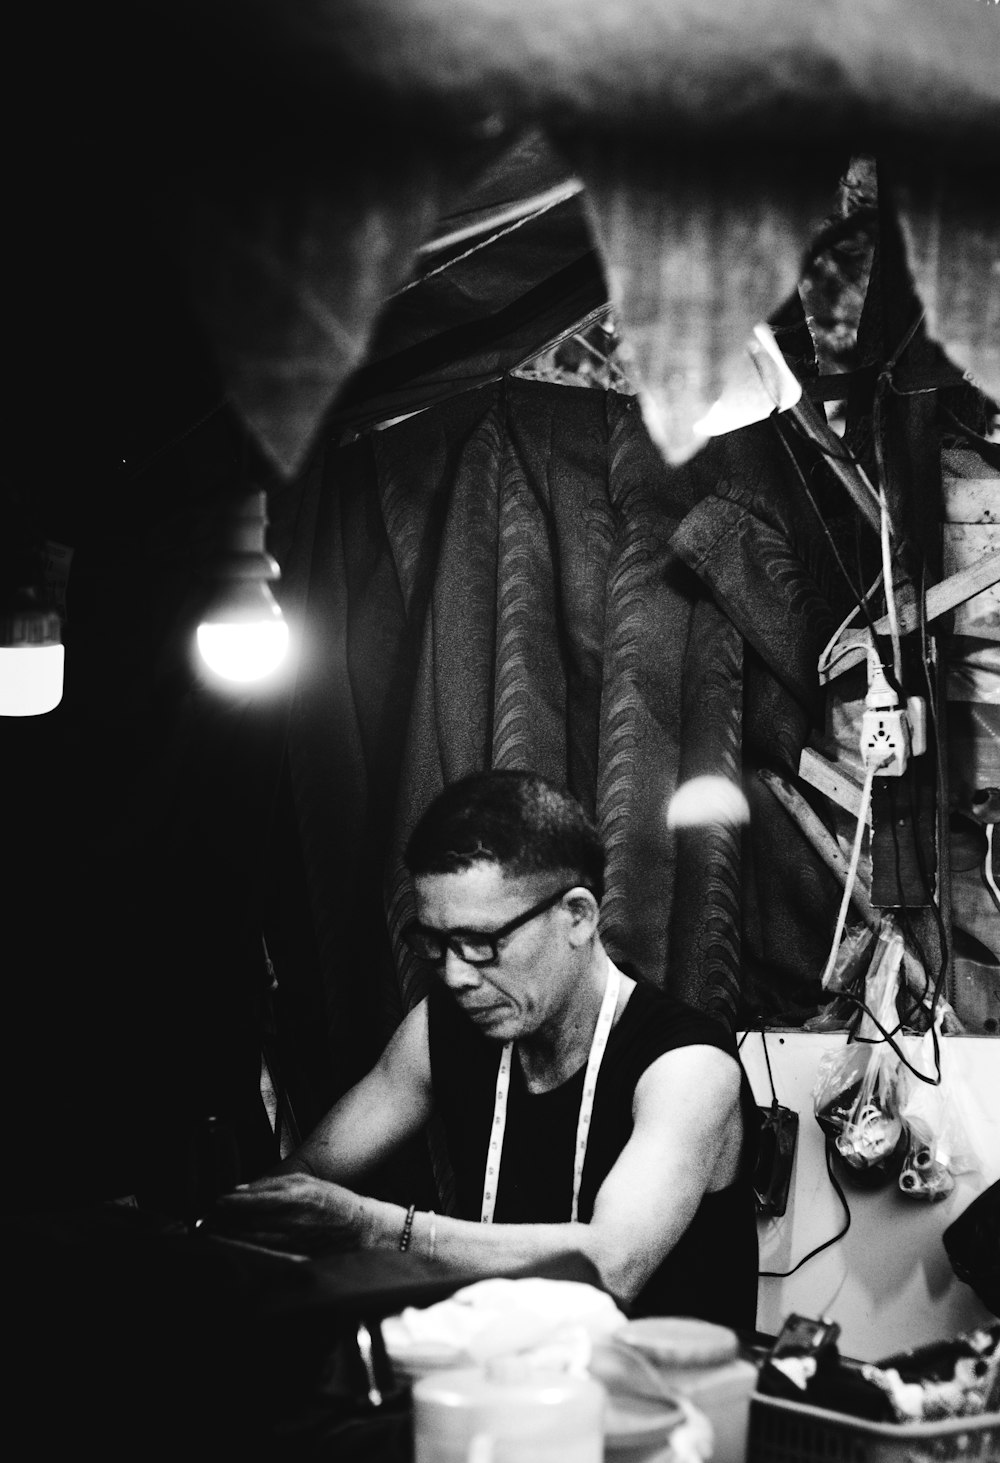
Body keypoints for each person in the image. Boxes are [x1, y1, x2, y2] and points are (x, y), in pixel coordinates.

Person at [208, 769, 759, 1328]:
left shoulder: (688, 1065)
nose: (455, 975)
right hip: (501, 1378)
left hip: (661, 1398)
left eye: (480, 942)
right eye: (438, 943)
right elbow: (307, 1177)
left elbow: (610, 1263)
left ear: (577, 916)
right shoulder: (441, 1030)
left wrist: (373, 1227)